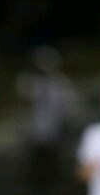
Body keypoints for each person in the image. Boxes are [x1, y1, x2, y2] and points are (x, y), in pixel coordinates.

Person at [16, 46, 77, 185]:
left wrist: (64, 126)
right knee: (34, 165)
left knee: (53, 165)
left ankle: (52, 186)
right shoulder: (28, 81)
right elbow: (23, 103)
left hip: (54, 129)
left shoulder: (61, 83)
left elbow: (67, 106)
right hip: (34, 130)